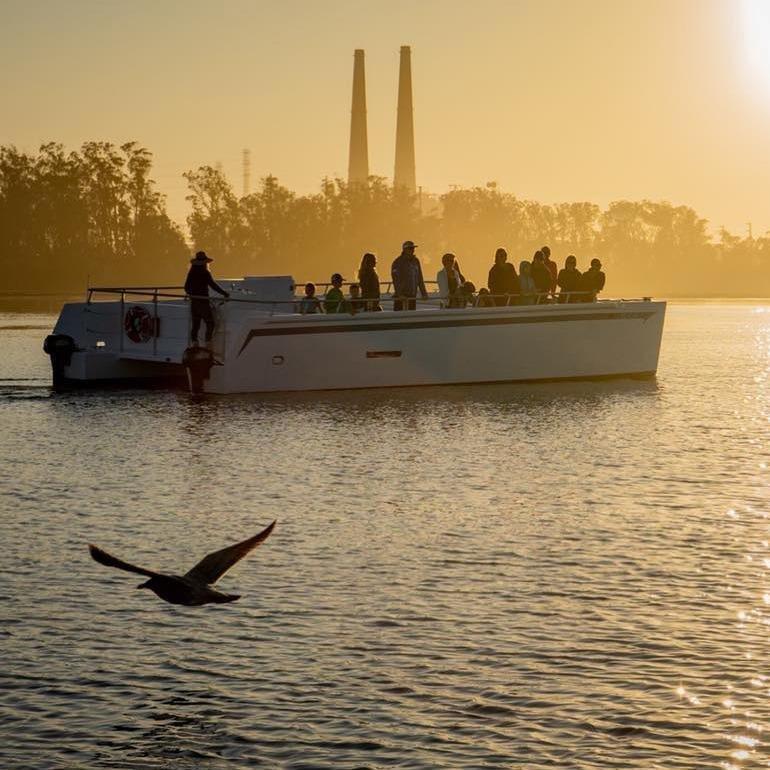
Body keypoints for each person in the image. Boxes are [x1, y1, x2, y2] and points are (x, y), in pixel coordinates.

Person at [184, 250, 229, 345]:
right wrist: (224, 293)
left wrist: (192, 295)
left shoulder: (191, 273)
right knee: (210, 323)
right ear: (205, 263)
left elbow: (186, 287)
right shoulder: (205, 273)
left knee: (196, 324)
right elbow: (213, 285)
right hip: (203, 302)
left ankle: (194, 341)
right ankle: (208, 341)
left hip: (194, 302)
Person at [391, 240, 428, 311]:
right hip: (401, 297)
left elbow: (420, 278)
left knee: (411, 315)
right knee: (400, 318)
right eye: (410, 248)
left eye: (413, 248)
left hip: (412, 296)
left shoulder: (416, 261)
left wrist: (424, 293)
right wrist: (399, 294)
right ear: (404, 250)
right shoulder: (397, 262)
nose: (412, 250)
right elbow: (395, 279)